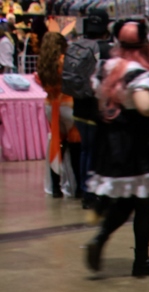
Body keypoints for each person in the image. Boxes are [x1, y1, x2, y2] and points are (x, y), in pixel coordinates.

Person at [85, 20, 149, 277]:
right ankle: (138, 259)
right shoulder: (139, 73)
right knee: (143, 201)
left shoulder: (105, 67)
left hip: (110, 139)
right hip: (136, 142)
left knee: (129, 199)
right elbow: (144, 106)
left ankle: (103, 234)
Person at [70, 9, 112, 210]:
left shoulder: (76, 45)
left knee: (85, 150)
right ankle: (92, 193)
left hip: (78, 104)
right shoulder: (104, 48)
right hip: (96, 106)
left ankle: (84, 190)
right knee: (96, 152)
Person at [35, 32, 81, 199]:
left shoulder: (42, 63)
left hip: (50, 105)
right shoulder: (65, 60)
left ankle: (55, 187)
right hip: (68, 104)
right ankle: (78, 187)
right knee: (76, 146)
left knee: (57, 143)